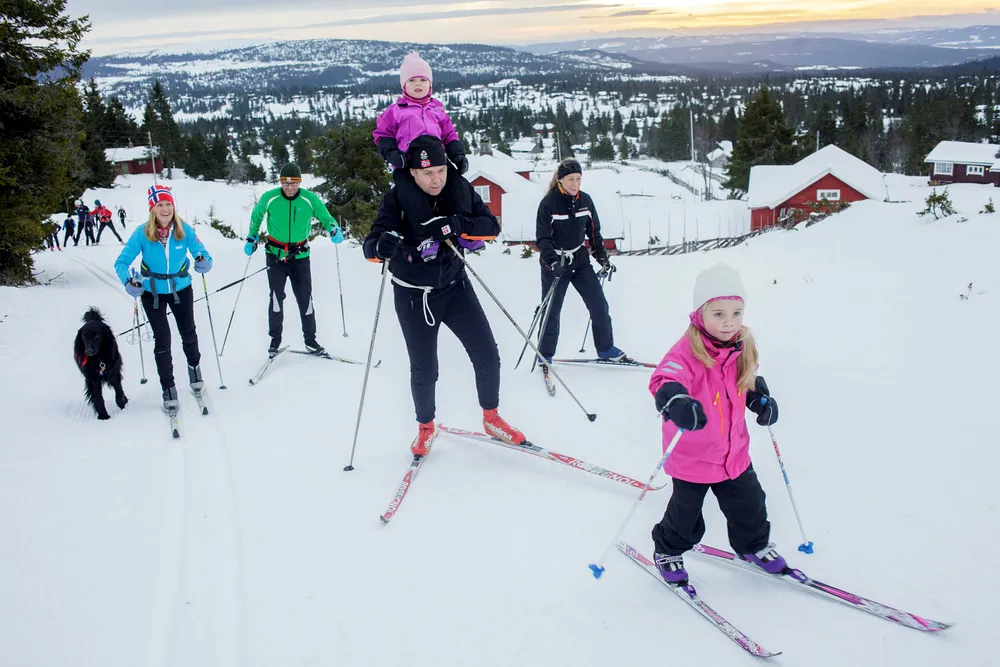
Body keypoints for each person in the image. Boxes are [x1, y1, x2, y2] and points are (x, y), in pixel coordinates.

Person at [362, 135, 526, 456]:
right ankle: (426, 427)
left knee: (487, 353)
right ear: (412, 172)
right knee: (425, 369)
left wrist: (455, 224)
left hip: (455, 286)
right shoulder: (396, 200)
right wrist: (380, 247)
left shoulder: (458, 190)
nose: (436, 179)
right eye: (427, 173)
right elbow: (372, 244)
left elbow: (490, 226)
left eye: (441, 170)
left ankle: (491, 418)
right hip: (414, 296)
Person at [647, 262, 785, 585]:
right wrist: (676, 401)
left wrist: (758, 399)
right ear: (700, 313)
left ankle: (753, 545)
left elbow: (744, 382)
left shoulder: (742, 345)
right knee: (685, 516)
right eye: (719, 313)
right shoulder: (686, 351)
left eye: (736, 313)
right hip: (692, 455)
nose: (729, 322)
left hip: (733, 453)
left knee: (751, 505)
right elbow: (665, 379)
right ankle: (667, 549)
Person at [372, 52, 482, 262]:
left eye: (422, 80)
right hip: (408, 165)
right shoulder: (395, 111)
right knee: (413, 198)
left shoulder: (437, 109)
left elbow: (449, 134)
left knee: (458, 187)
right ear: (404, 85)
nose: (418, 84)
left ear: (430, 84)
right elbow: (382, 135)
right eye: (412, 80)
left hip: (438, 162)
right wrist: (393, 154)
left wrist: (457, 154)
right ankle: (427, 237)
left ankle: (463, 231)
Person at [114, 185, 212, 412]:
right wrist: (128, 281)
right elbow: (121, 262)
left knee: (189, 332)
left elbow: (203, 253)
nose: (165, 209)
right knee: (162, 340)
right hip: (152, 292)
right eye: (160, 205)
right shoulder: (142, 233)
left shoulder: (184, 230)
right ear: (152, 209)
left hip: (181, 288)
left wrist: (204, 262)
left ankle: (194, 367)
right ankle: (168, 386)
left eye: (168, 204)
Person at [535, 158, 628, 365]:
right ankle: (545, 353)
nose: (575, 184)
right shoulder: (548, 204)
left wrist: (602, 258)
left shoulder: (585, 201)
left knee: (599, 304)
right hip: (556, 263)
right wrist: (552, 262)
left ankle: (605, 348)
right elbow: (543, 239)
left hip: (579, 260)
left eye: (578, 178)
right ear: (560, 180)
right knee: (552, 311)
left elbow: (594, 233)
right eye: (571, 179)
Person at [245, 163, 344, 357]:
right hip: (275, 255)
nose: (289, 187)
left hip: (300, 256)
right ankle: (275, 340)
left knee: (305, 297)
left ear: (300, 182)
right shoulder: (270, 197)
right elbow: (256, 216)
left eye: (294, 183)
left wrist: (333, 228)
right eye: (285, 183)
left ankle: (311, 341)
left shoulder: (309, 199)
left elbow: (325, 216)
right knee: (276, 297)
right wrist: (252, 236)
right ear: (280, 182)